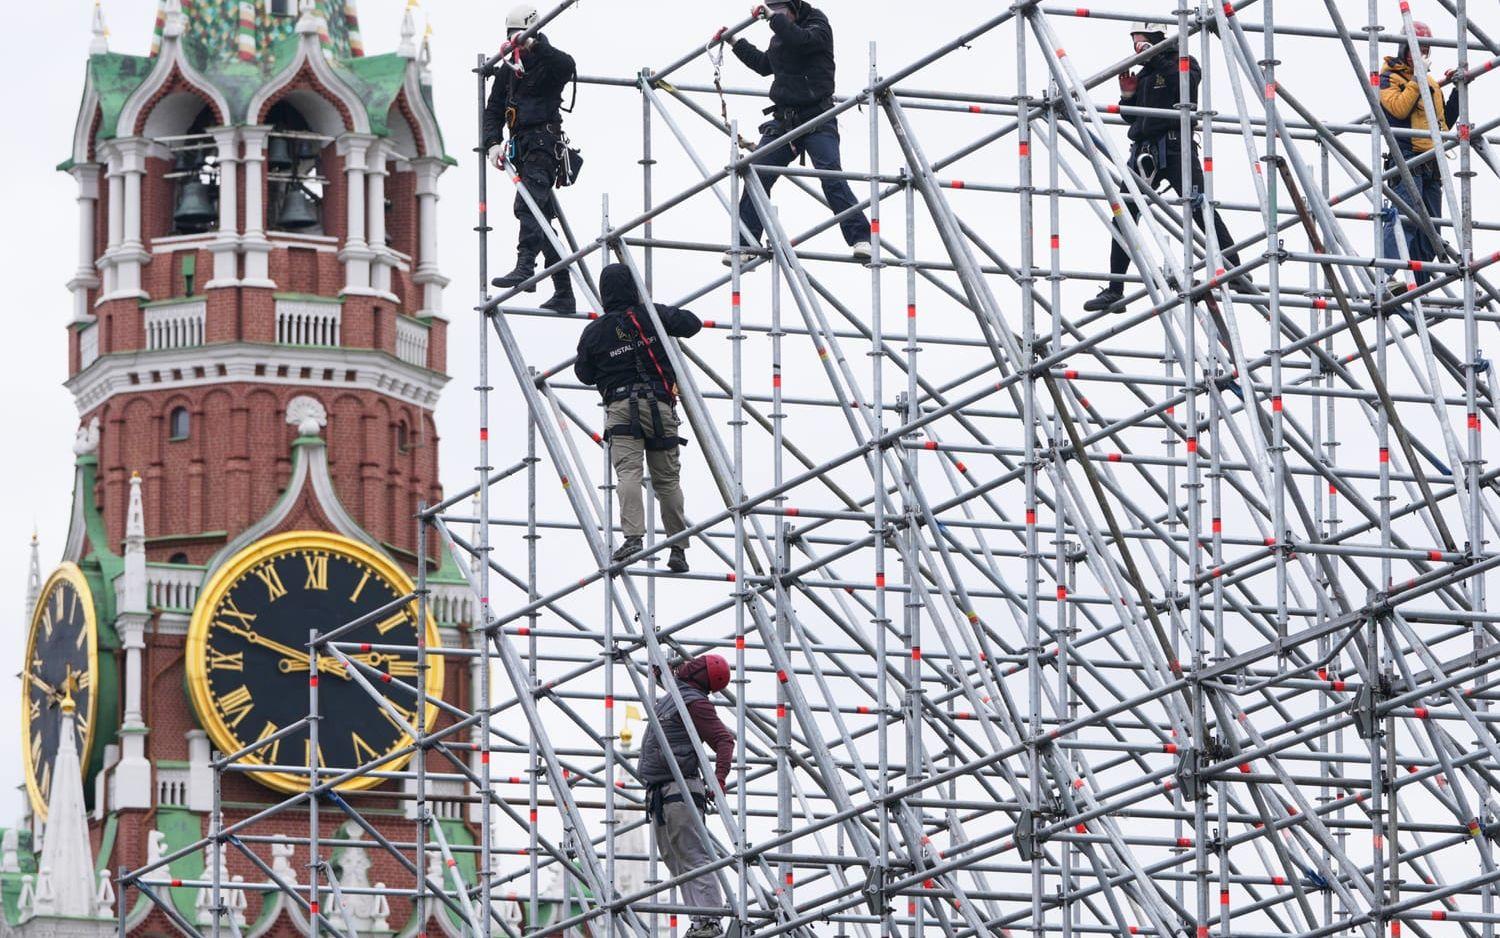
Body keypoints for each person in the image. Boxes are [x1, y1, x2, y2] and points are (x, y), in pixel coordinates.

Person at [1083, 22, 1242, 312]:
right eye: (1135, 44)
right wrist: (1127, 96)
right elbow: (1134, 120)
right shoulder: (1144, 74)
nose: (1137, 49)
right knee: (1124, 213)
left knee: (1200, 208)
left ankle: (1235, 269)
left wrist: (1155, 56)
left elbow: (1188, 89)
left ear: (1158, 41)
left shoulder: (1182, 62)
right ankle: (1115, 289)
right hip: (1145, 152)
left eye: (1142, 43)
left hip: (1175, 147)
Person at [716, 0, 872, 266]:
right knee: (756, 172)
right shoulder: (780, 35)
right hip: (785, 119)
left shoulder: (816, 24)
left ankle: (862, 238)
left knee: (830, 173)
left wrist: (773, 19)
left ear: (794, 8)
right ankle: (745, 244)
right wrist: (735, 42)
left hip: (817, 117)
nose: (777, 15)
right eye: (772, 9)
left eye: (781, 10)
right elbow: (766, 64)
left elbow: (802, 42)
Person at [575, 264, 702, 572]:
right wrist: (653, 316)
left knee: (628, 474)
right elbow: (692, 323)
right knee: (668, 480)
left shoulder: (595, 331)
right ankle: (678, 547)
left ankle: (633, 538)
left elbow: (584, 374)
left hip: (621, 407)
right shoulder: (651, 316)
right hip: (659, 404)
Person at [484, 3, 577, 314]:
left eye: (518, 35)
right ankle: (564, 291)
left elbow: (568, 65)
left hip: (542, 144)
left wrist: (534, 44)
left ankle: (526, 266)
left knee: (527, 206)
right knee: (542, 219)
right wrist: (492, 143)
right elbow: (494, 109)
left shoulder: (549, 62)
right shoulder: (510, 68)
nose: (515, 40)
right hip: (522, 148)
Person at [637, 655, 736, 938]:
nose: (689, 663)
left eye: (698, 663)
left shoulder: (695, 702)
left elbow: (724, 740)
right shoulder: (679, 693)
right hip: (661, 792)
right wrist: (661, 670)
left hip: (679, 790)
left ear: (701, 674)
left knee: (692, 855)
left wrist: (719, 778)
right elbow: (671, 678)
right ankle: (699, 920)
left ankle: (710, 919)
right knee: (675, 859)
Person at [1378, 21, 1460, 289]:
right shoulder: (1389, 78)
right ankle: (1388, 276)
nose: (1419, 55)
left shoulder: (1431, 83)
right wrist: (1416, 81)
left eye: (1424, 49)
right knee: (1406, 219)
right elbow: (1398, 110)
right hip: (1407, 157)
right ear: (1403, 49)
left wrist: (1458, 91)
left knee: (1431, 230)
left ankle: (1420, 286)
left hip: (1431, 163)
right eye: (1415, 49)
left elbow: (1442, 124)